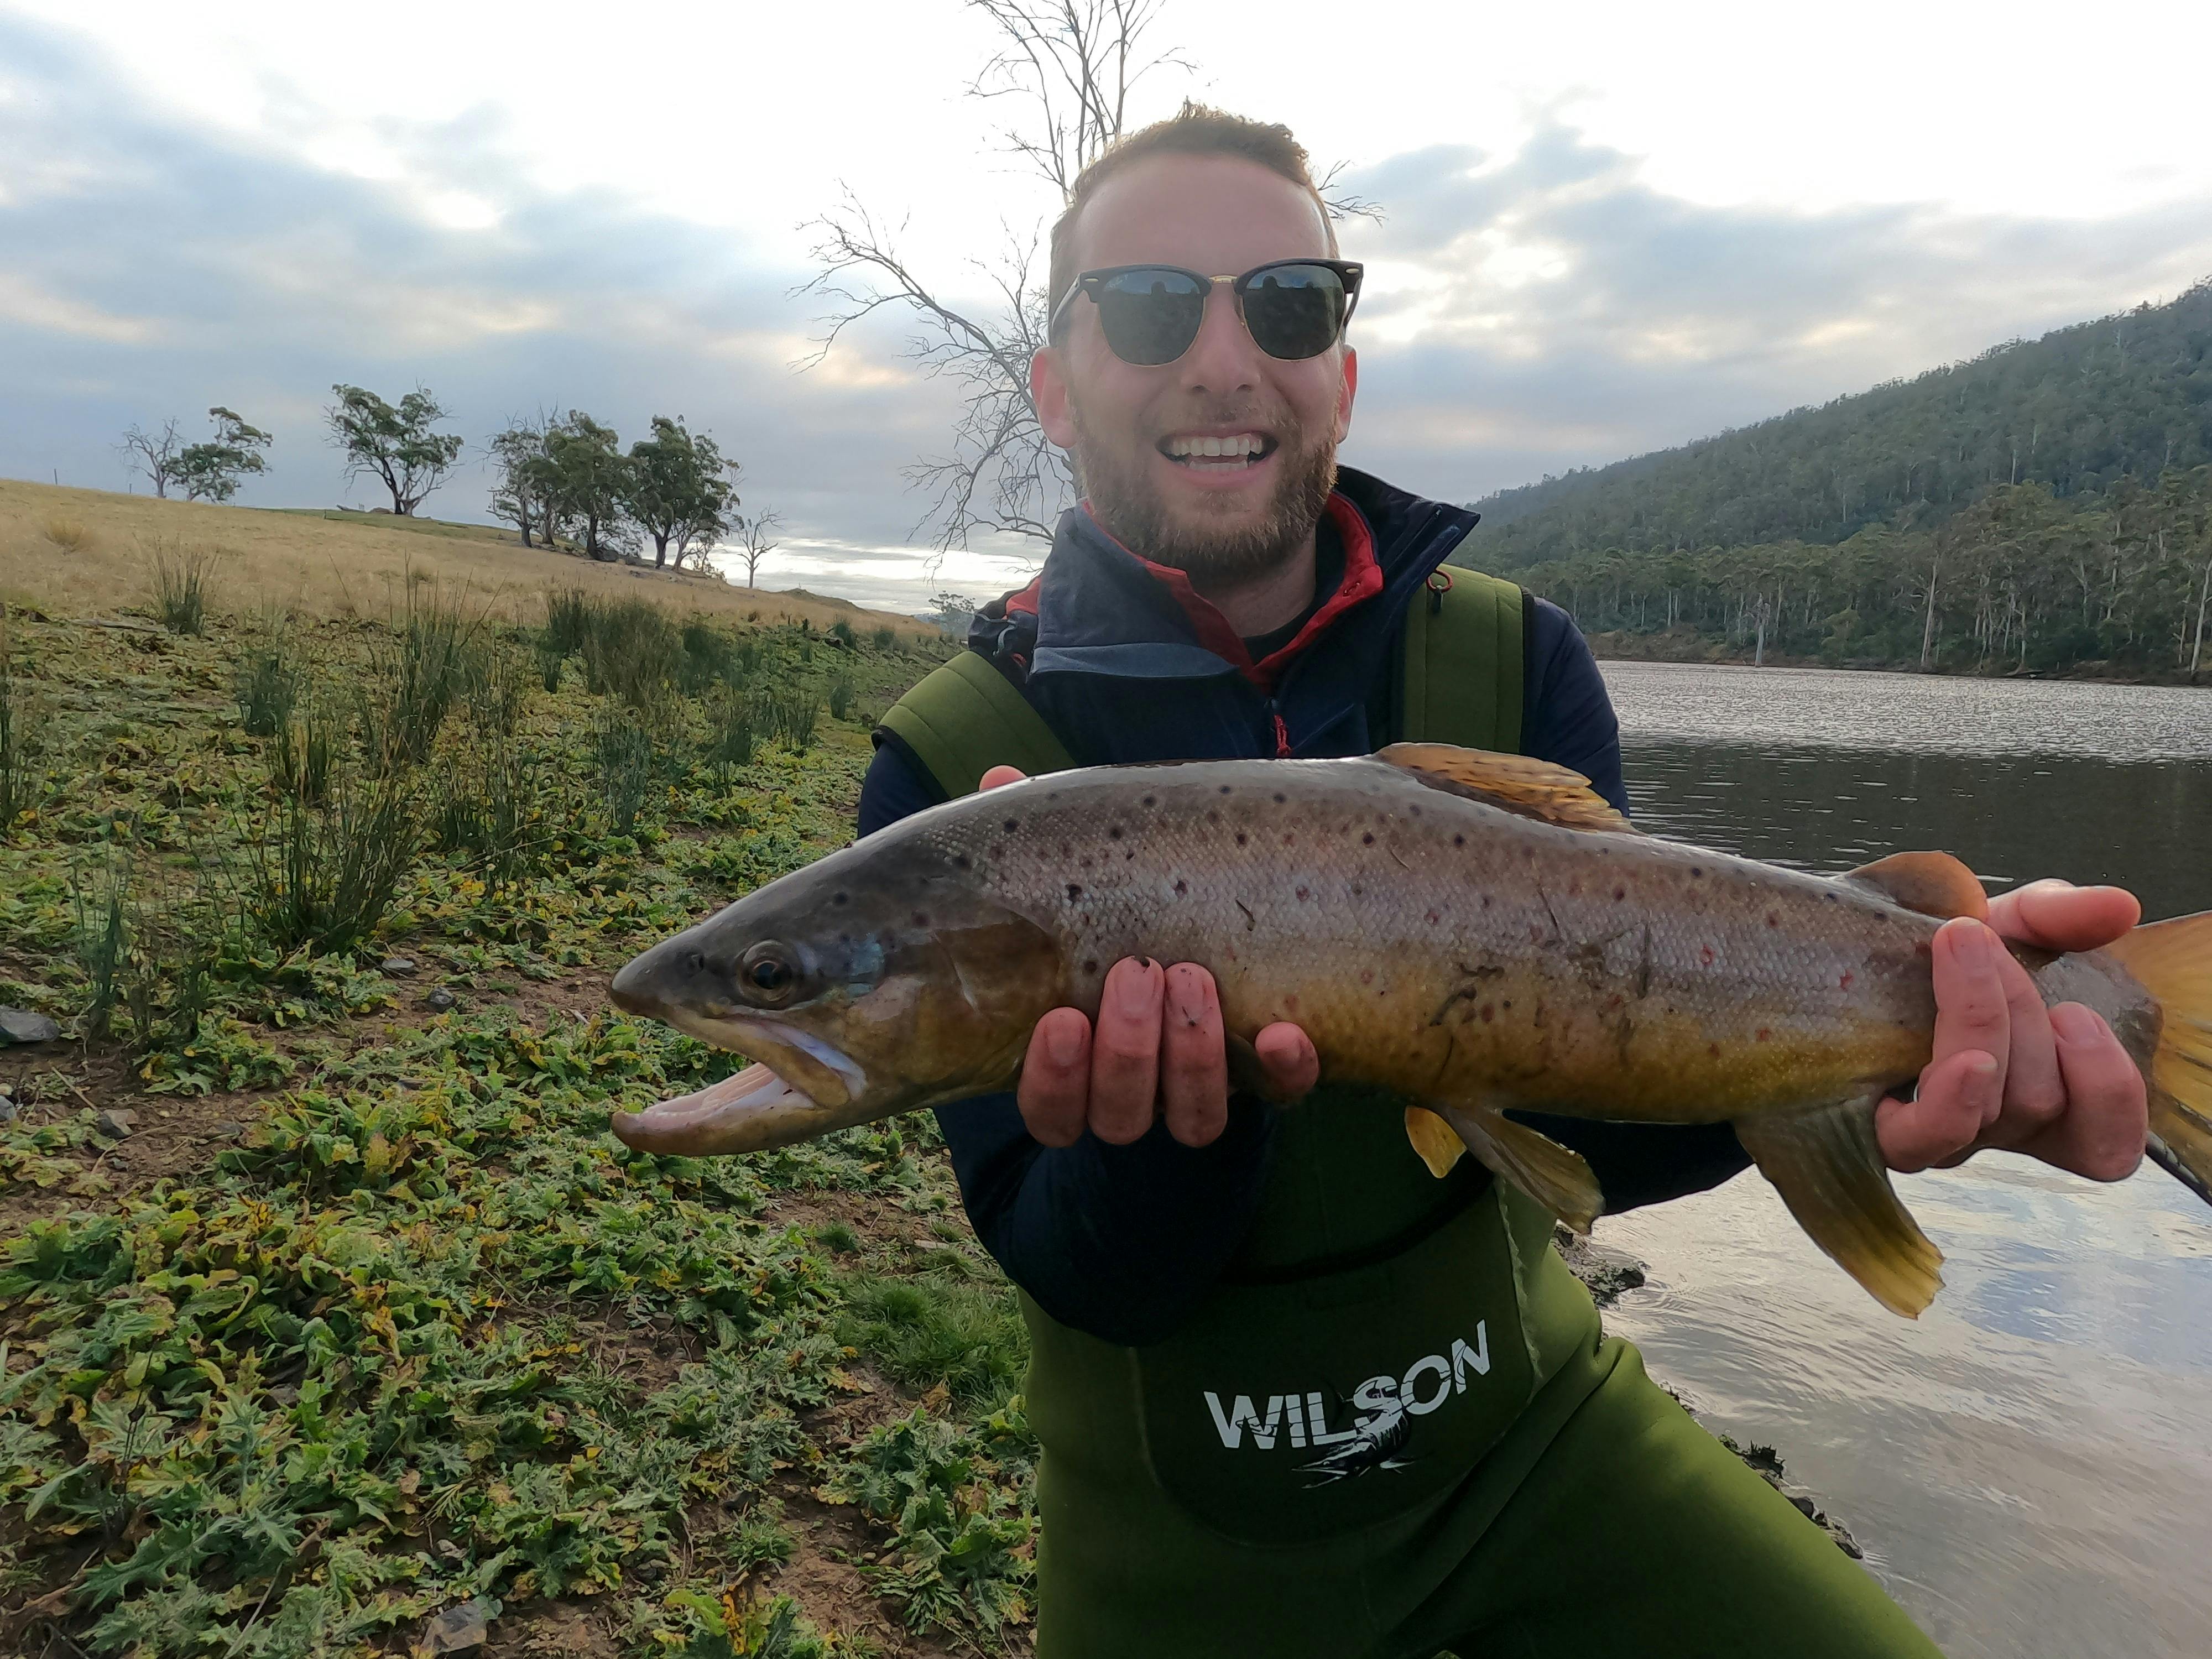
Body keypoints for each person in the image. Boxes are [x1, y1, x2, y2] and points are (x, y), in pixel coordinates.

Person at [854, 104, 2150, 1658]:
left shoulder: (1516, 659)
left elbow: (1605, 1140)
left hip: (1534, 1437)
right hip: (1182, 1519)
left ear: (1341, 374)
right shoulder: (958, 774)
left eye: (1289, 305)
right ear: (1057, 388)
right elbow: (1073, 1266)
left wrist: (1870, 1060)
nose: (1225, 360)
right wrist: (1177, 1127)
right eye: (1148, 306)